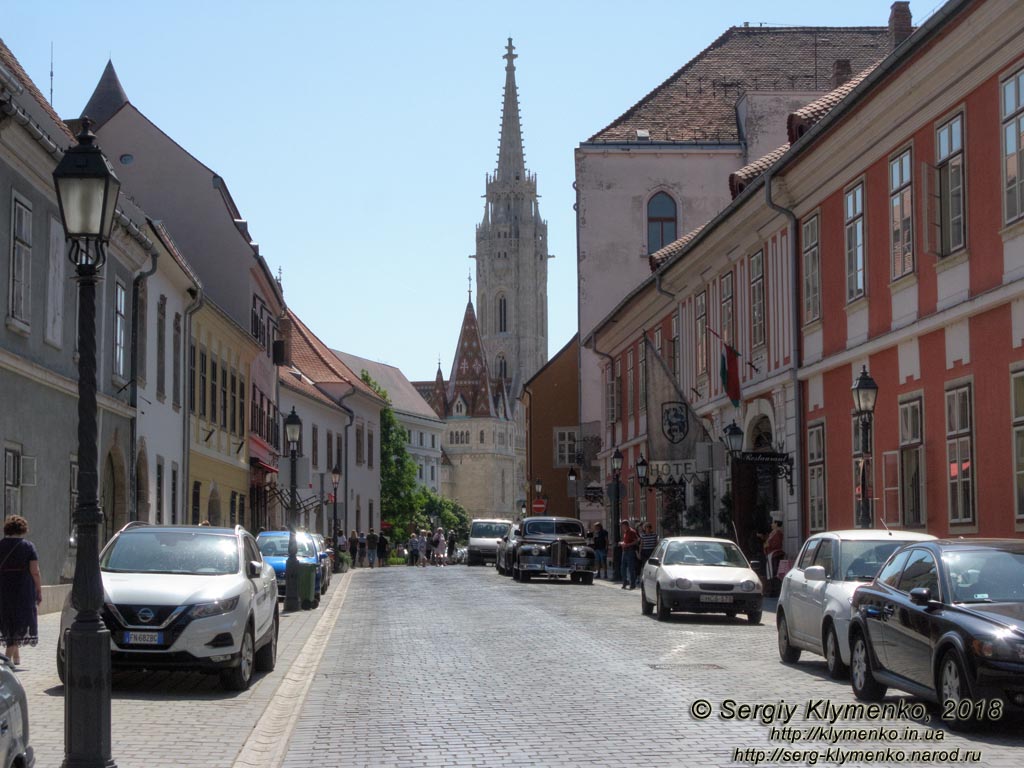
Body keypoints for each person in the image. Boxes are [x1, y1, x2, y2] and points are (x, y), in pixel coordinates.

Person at [0, 515, 41, 667]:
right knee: (20, 621)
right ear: (23, 529)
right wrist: (38, 589)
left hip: (3, 588)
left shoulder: (0, 545)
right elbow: (35, 571)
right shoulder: (28, 547)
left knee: (8, 619)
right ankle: (7, 660)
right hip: (22, 589)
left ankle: (16, 657)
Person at [761, 513, 785, 594]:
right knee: (770, 571)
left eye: (773, 523)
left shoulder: (778, 533)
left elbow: (776, 544)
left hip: (774, 554)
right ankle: (771, 588)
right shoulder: (773, 533)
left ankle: (773, 589)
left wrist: (768, 545)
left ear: (776, 523)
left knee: (773, 572)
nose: (771, 524)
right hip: (770, 554)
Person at [618, 521, 640, 590]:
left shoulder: (632, 531)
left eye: (623, 526)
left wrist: (628, 544)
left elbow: (636, 541)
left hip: (630, 551)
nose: (622, 527)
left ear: (626, 525)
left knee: (631, 568)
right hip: (625, 551)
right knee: (623, 568)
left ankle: (632, 584)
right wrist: (622, 543)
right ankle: (625, 581)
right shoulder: (625, 532)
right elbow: (626, 541)